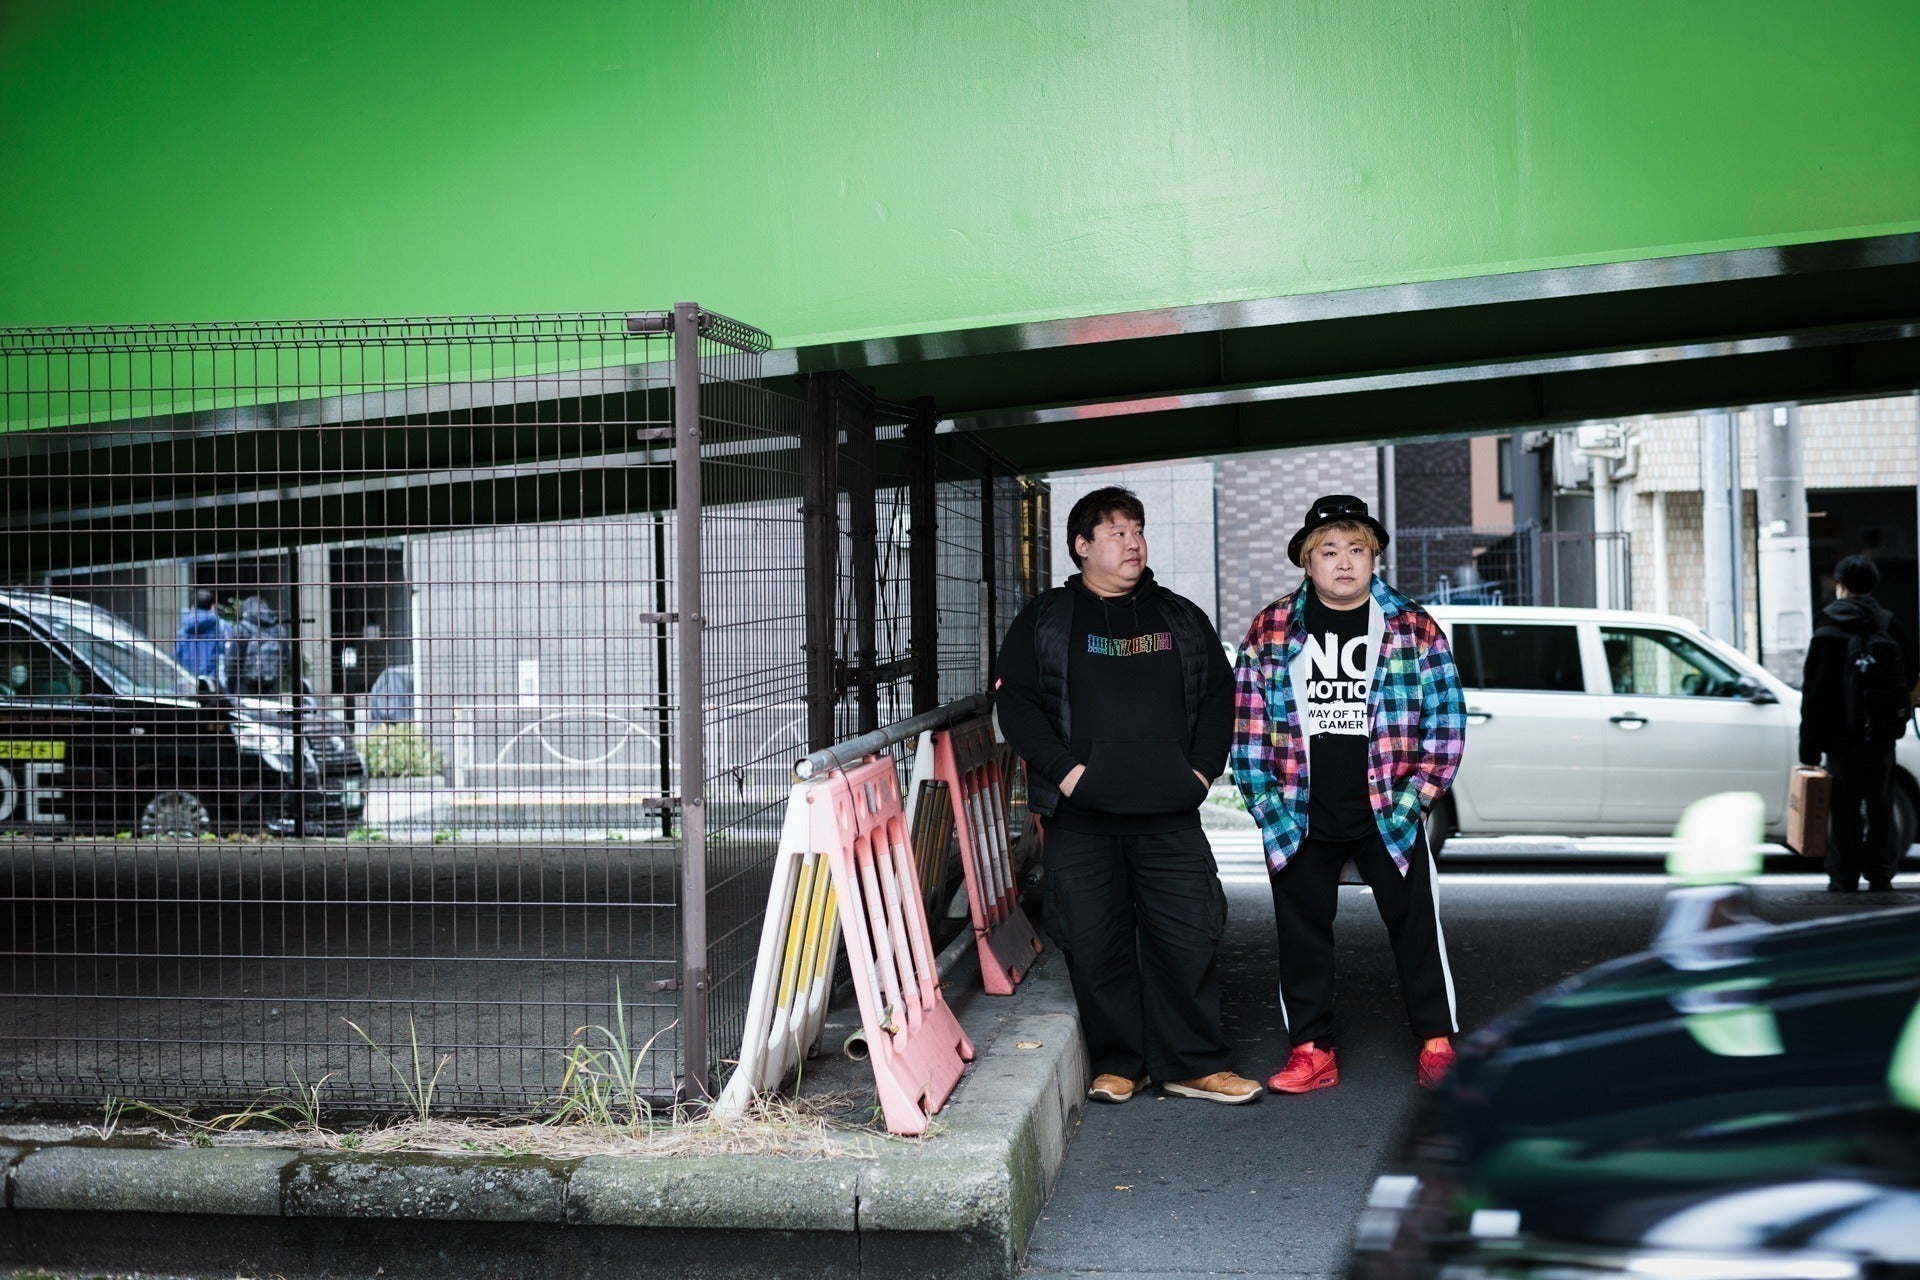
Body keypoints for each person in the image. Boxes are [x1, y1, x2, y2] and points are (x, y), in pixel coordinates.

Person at [994, 486, 1260, 1106]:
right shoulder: (1046, 619)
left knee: (1189, 936)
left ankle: (1194, 1063)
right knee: (1094, 940)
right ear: (1082, 546)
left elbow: (1219, 696)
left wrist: (1200, 773)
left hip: (1169, 812)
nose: (1133, 542)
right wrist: (1066, 773)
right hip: (1081, 815)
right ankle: (1120, 1062)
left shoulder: (1180, 617)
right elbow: (1017, 704)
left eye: (1137, 530)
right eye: (1116, 532)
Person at [1231, 494, 1467, 1093]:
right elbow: (1247, 728)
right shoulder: (1272, 628)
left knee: (1416, 926)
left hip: (1389, 807)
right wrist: (1268, 808)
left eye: (1356, 549)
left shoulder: (1413, 627)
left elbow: (1446, 720)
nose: (1344, 562)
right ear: (1307, 562)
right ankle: (1312, 1051)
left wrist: (1417, 798)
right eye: (1329, 550)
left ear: (1374, 557)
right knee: (1301, 932)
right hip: (1299, 811)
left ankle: (1437, 1045)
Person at [1799, 554, 1911, 893]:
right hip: (1881, 733)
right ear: (1873, 585)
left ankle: (1844, 875)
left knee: (1844, 807)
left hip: (1840, 736)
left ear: (1840, 585)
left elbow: (1815, 690)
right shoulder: (1888, 622)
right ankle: (1881, 872)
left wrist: (1809, 747)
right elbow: (1911, 671)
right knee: (1880, 805)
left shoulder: (1828, 625)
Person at [221, 595, 289, 695]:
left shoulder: (241, 628)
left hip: (245, 686)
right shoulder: (279, 630)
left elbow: (232, 659)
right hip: (272, 686)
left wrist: (230, 685)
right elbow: (286, 659)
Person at [174, 589, 229, 681]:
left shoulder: (184, 627)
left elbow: (176, 653)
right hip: (213, 679)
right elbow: (228, 651)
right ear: (213, 606)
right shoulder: (221, 626)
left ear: (192, 606)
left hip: (187, 678)